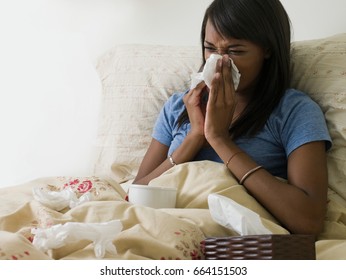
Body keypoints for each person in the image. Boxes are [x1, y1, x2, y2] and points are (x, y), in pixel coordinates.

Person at [133, 0, 332, 236]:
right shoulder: (179, 106)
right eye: (210, 49)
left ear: (267, 50)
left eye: (235, 51)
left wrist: (219, 139)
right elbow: (136, 195)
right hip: (164, 228)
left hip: (228, 240)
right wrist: (195, 137)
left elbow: (309, 221)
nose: (218, 63)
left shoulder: (294, 111)